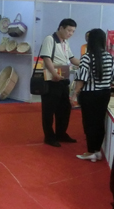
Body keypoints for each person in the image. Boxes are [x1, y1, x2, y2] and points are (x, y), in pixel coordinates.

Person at [72, 28, 113, 162]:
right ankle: (97, 150)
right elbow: (112, 77)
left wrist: (74, 94)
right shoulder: (109, 57)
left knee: (89, 122)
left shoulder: (87, 57)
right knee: (99, 122)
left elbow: (82, 79)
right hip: (104, 93)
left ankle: (90, 152)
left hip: (90, 94)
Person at [40, 18, 81, 147]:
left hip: (63, 79)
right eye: (69, 30)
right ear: (61, 28)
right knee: (49, 109)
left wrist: (86, 63)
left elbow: (72, 59)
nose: (71, 33)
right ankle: (49, 136)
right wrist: (54, 73)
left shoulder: (65, 42)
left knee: (64, 108)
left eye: (73, 31)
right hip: (51, 80)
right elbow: (46, 58)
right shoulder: (50, 39)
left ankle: (61, 133)